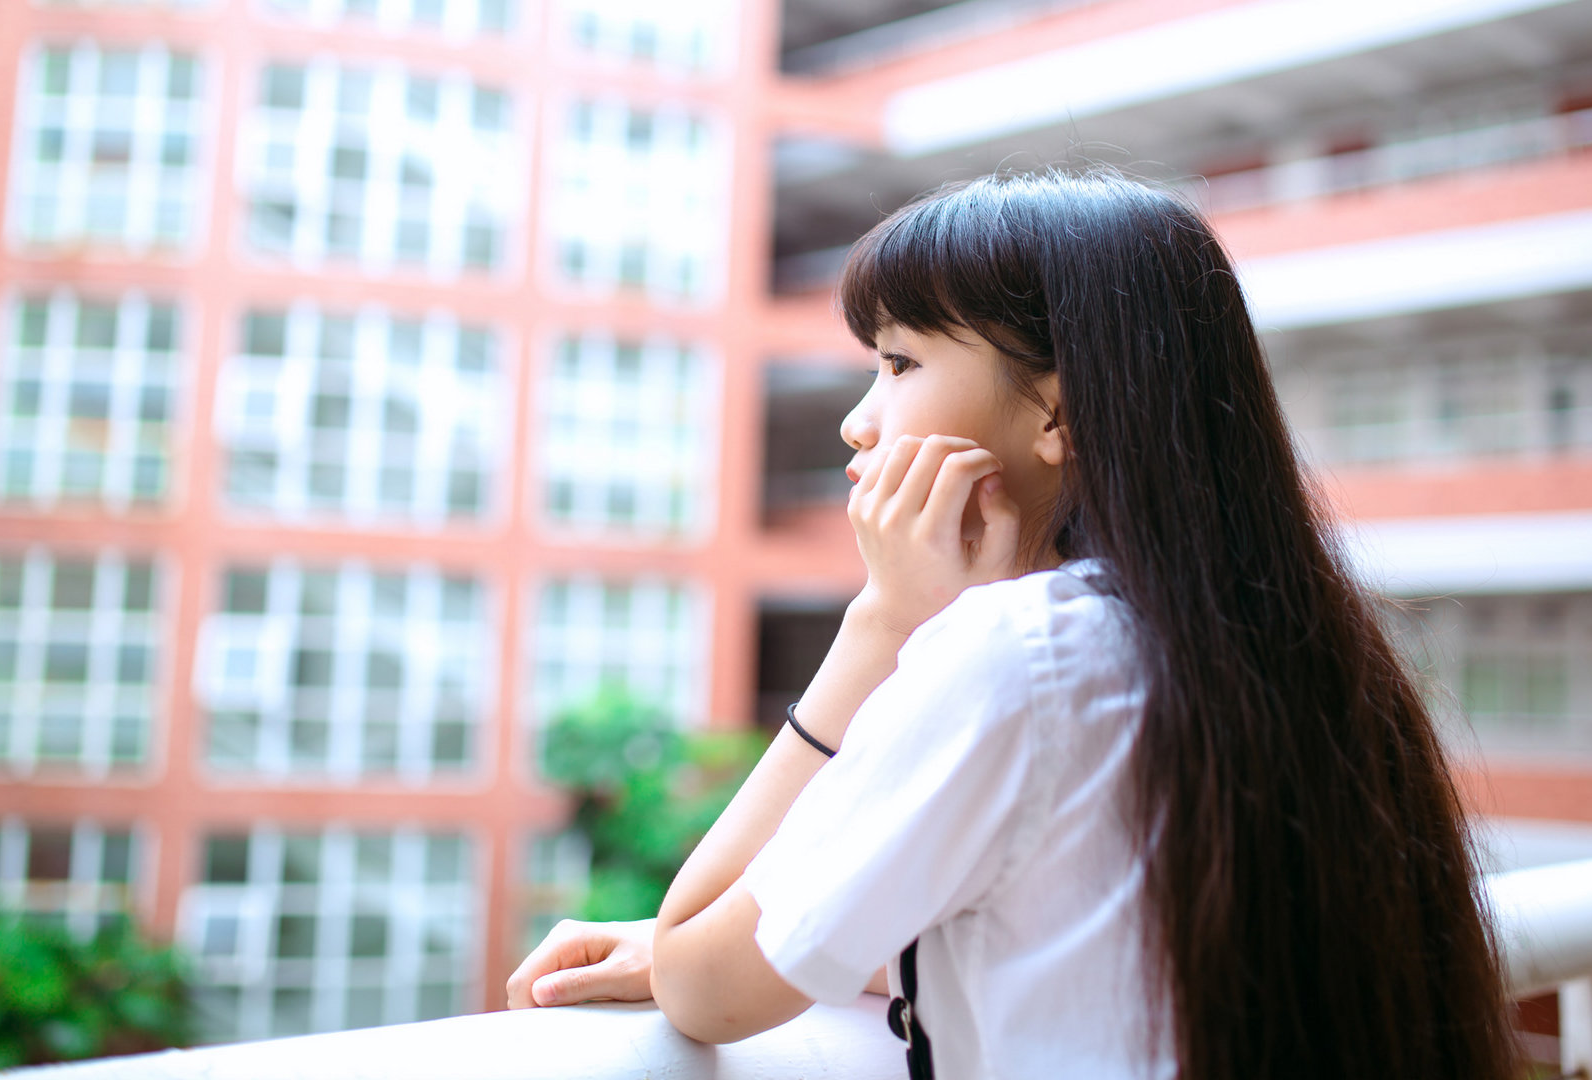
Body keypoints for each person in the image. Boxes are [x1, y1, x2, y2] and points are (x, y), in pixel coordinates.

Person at [508, 170, 1523, 1080]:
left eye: (899, 364)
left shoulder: (1015, 656)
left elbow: (699, 977)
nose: (860, 419)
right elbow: (1061, 941)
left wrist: (882, 624)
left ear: (1056, 413)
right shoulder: (1301, 648)